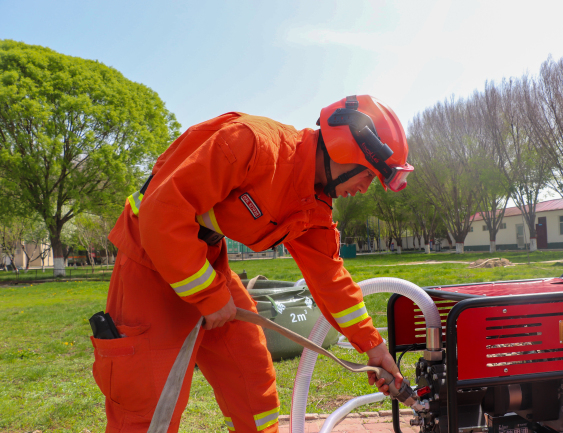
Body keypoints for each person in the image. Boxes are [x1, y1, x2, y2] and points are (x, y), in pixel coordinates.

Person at [92, 95, 414, 433]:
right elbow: (162, 214)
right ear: (345, 151)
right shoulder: (251, 144)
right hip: (148, 259)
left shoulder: (312, 205)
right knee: (148, 401)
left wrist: (374, 346)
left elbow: (330, 278)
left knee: (250, 372)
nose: (364, 189)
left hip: (205, 262)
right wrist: (210, 295)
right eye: (368, 175)